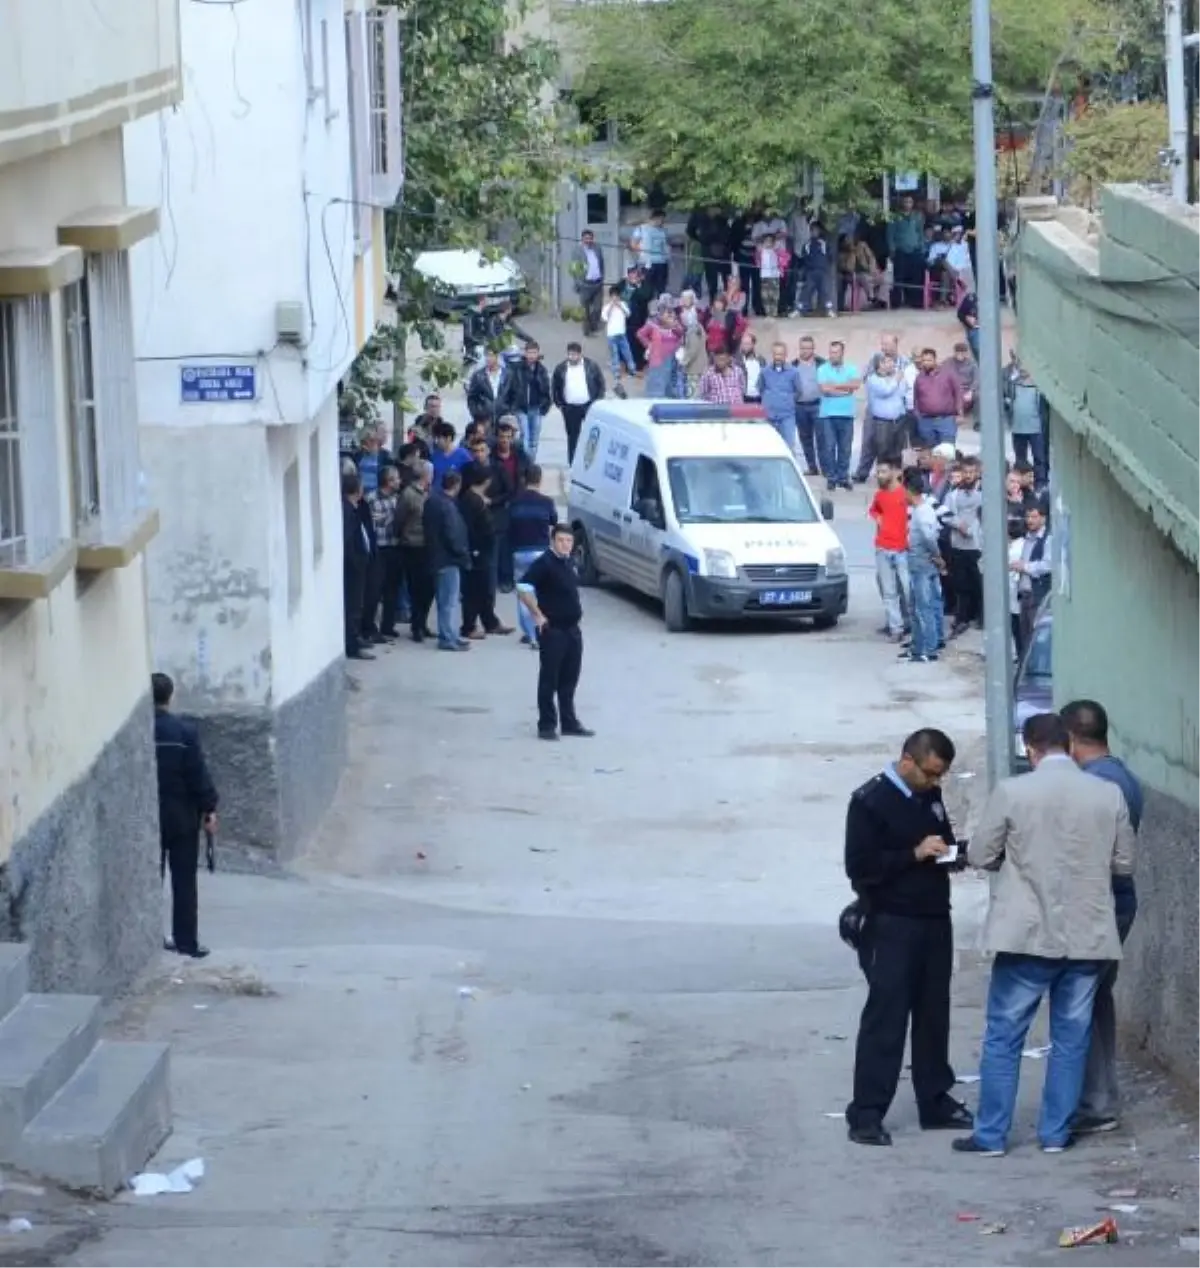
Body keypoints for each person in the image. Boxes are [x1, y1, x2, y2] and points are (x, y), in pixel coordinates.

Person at [955, 713, 1135, 1157]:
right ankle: (1055, 1134)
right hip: (1087, 935)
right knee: (1071, 1037)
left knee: (1005, 1035)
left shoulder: (1014, 791)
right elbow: (1124, 865)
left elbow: (980, 853)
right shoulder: (1108, 793)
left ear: (1030, 748)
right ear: (1070, 747)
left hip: (1027, 935)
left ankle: (992, 1135)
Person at [844, 728, 974, 1147]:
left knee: (934, 1013)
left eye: (941, 777)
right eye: (931, 774)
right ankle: (867, 1111)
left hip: (934, 918)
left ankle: (934, 1099)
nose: (936, 784)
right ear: (907, 762)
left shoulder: (927, 796)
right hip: (891, 922)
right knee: (887, 1016)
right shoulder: (870, 801)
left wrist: (957, 855)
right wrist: (913, 855)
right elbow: (860, 867)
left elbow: (943, 842)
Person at [1061, 699, 1145, 1137]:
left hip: (1100, 904)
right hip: (1117, 901)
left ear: (1072, 739)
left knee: (1082, 1004)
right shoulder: (1123, 776)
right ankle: (1097, 1097)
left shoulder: (1095, 786)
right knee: (1095, 1001)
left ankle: (1094, 1103)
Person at [153, 672, 218, 960]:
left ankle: (151, 936)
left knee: (150, 879)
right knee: (184, 882)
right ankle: (186, 942)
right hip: (181, 817)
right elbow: (197, 776)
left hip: (150, 817)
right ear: (170, 696)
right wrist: (209, 809)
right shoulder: (184, 732)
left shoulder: (141, 732)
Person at [518, 523, 594, 741]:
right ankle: (547, 725)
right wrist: (537, 614)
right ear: (553, 541)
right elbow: (523, 587)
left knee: (570, 679)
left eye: (569, 541)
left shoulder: (569, 562)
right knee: (549, 679)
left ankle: (569, 722)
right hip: (553, 630)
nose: (565, 545)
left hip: (572, 629)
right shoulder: (544, 563)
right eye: (561, 540)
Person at [458, 464, 511, 640]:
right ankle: (469, 626)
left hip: (482, 549)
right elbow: (476, 528)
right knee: (474, 590)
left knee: (484, 589)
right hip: (478, 551)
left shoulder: (471, 498)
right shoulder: (473, 500)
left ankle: (490, 622)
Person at [422, 469, 471, 651]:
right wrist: (462, 552)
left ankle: (450, 635)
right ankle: (448, 637)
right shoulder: (448, 506)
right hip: (448, 559)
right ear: (457, 485)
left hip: (434, 556)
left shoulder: (432, 502)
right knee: (449, 601)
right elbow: (453, 534)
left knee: (445, 600)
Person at [510, 464, 558, 647]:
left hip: (520, 551)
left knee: (523, 594)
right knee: (541, 593)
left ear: (524, 479)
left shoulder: (515, 502)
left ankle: (529, 633)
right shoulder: (547, 502)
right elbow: (553, 522)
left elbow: (510, 527)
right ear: (540, 480)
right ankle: (541, 630)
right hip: (540, 550)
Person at [903, 469, 946, 663]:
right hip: (919, 564)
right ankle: (918, 647)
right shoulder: (926, 509)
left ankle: (929, 649)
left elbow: (929, 537)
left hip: (921, 565)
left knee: (923, 607)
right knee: (917, 607)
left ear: (909, 491)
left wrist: (937, 556)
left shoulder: (921, 513)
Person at [868, 460, 910, 642]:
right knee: (889, 591)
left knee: (908, 590)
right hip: (883, 548)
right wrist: (878, 518)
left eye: (883, 472)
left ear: (896, 472)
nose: (879, 475)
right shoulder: (879, 495)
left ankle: (911, 623)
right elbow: (873, 510)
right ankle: (896, 628)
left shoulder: (905, 494)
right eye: (878, 472)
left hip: (902, 549)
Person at [816, 340, 860, 491]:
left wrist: (835, 386)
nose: (833, 355)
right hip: (828, 414)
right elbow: (824, 389)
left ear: (842, 353)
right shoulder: (822, 369)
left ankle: (843, 477)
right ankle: (832, 477)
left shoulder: (851, 368)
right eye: (831, 352)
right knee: (829, 447)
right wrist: (844, 389)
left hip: (847, 414)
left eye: (836, 352)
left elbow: (855, 385)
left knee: (845, 448)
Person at [552, 342, 606, 465]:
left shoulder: (591, 366)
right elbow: (555, 387)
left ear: (580, 354)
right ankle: (573, 463)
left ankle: (591, 462)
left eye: (575, 355)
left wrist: (597, 401)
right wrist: (560, 404)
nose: (572, 357)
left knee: (592, 436)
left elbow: (600, 383)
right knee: (573, 437)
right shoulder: (561, 368)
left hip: (588, 406)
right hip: (570, 408)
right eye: (570, 354)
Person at [398, 459, 434, 642]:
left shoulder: (430, 493)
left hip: (429, 545)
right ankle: (416, 625)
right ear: (425, 475)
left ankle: (423, 622)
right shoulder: (409, 495)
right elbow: (400, 519)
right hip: (413, 545)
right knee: (416, 588)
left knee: (429, 588)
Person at [365, 463, 403, 640]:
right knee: (375, 589)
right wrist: (392, 518)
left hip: (394, 547)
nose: (399, 482)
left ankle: (388, 625)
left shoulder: (396, 499)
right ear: (388, 481)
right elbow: (374, 522)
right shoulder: (372, 499)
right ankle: (369, 628)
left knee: (392, 589)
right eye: (396, 479)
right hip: (378, 548)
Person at [500, 341, 552, 460]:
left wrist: (544, 406)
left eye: (534, 352)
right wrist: (509, 406)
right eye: (529, 352)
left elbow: (546, 390)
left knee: (534, 438)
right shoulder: (517, 368)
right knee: (525, 437)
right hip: (520, 408)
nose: (532, 355)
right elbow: (509, 387)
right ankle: (524, 462)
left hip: (536, 408)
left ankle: (530, 464)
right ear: (525, 353)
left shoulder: (541, 370)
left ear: (538, 353)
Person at [342, 469, 373, 661]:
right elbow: (348, 540)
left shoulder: (353, 509)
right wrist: (356, 561)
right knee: (353, 605)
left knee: (357, 604)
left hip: (359, 564)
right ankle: (352, 644)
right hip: (353, 567)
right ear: (357, 490)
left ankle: (356, 638)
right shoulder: (347, 511)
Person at [792, 335, 824, 476]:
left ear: (813, 349)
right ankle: (812, 467)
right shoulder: (793, 365)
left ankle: (825, 467)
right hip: (800, 406)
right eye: (802, 348)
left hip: (817, 405)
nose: (805, 351)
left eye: (808, 348)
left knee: (822, 437)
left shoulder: (822, 364)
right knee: (805, 438)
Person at [760, 342, 801, 454]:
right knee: (769, 449)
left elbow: (798, 391)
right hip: (769, 417)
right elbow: (761, 388)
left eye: (781, 354)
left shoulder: (794, 372)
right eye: (776, 354)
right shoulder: (765, 371)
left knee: (788, 448)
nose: (778, 357)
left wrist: (788, 401)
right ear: (772, 355)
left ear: (786, 355)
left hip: (787, 417)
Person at [466, 349, 510, 435]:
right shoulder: (478, 375)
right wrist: (476, 414)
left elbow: (514, 395)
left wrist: (509, 411)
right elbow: (471, 397)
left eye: (491, 355)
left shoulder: (507, 374)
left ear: (497, 357)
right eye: (486, 356)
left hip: (503, 416)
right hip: (485, 417)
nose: (488, 358)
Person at [571, 229, 605, 335]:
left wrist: (602, 277)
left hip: (597, 283)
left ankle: (594, 325)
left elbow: (602, 263)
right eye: (586, 238)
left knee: (598, 308)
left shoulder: (597, 248)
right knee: (585, 310)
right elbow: (574, 269)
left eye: (590, 238)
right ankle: (586, 331)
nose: (588, 240)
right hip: (585, 284)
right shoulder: (577, 251)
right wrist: (578, 282)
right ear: (582, 239)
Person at [602, 285, 637, 386]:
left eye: (617, 296)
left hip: (621, 333)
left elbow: (628, 314)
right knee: (614, 353)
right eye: (613, 296)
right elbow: (605, 318)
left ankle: (632, 369)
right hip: (611, 334)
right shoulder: (606, 307)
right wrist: (612, 306)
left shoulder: (623, 304)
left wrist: (620, 306)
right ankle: (616, 372)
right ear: (610, 297)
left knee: (627, 352)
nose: (615, 298)